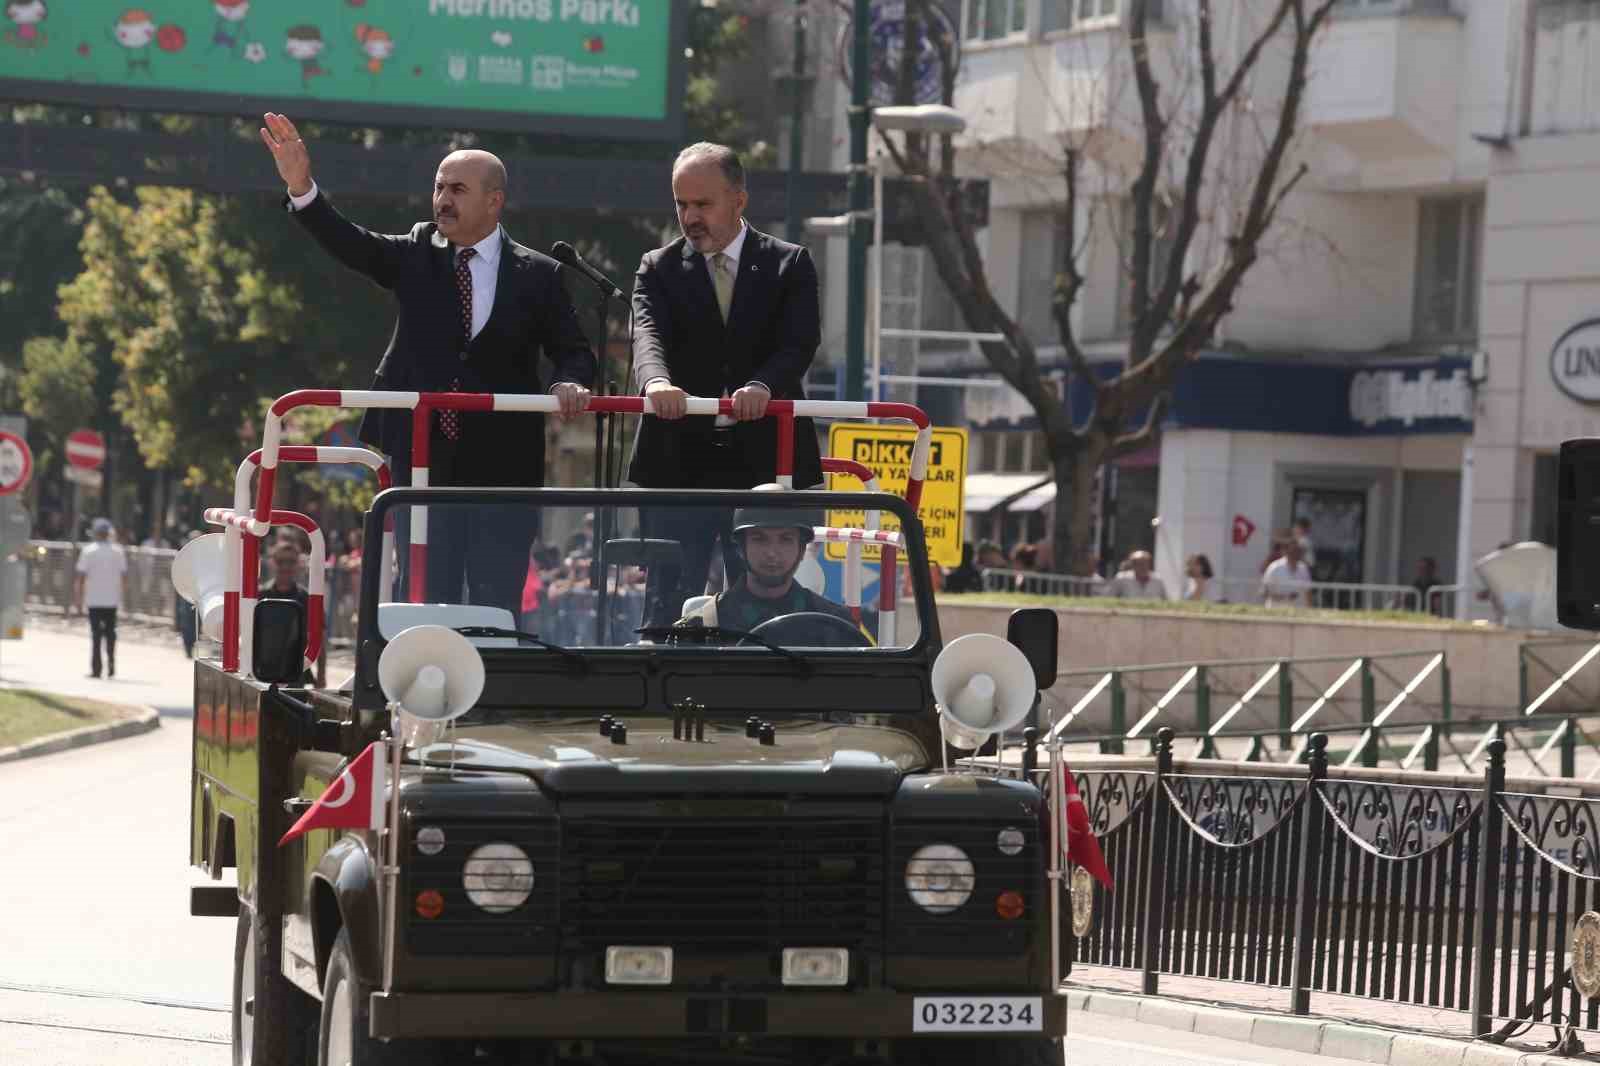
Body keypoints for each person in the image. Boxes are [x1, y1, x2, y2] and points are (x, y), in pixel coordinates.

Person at [259, 112, 595, 613]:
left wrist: (570, 382)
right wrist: (302, 186)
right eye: (439, 187)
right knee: (419, 587)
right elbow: (350, 242)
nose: (443, 199)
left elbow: (574, 351)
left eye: (458, 189)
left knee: (495, 591)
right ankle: (408, 684)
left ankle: (489, 684)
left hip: (503, 462)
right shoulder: (416, 252)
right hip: (422, 455)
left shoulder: (539, 275)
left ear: (493, 200)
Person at [628, 142, 823, 626]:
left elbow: (798, 344)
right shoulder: (658, 267)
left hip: (762, 461)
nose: (689, 216)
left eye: (703, 204)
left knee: (762, 606)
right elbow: (646, 336)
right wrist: (655, 384)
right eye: (681, 204)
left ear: (739, 200)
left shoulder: (789, 263)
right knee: (668, 601)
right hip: (678, 459)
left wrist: (763, 386)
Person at [678, 500, 858, 642]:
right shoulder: (701, 628)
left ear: (802, 549)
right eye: (759, 539)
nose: (772, 553)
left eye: (786, 539)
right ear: (741, 548)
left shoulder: (834, 625)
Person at [74, 517, 127, 678]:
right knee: (111, 633)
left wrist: (78, 599)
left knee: (96, 635)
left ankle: (96, 669)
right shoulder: (118, 551)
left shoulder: (88, 551)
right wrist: (122, 597)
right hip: (112, 600)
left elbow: (81, 577)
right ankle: (111, 664)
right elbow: (124, 577)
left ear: (96, 533)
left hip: (94, 599)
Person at [1261, 537, 1313, 607]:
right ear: (1285, 551)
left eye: (1298, 550)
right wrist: (1285, 597)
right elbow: (1264, 592)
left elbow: (1308, 592)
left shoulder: (1303, 569)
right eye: (1293, 550)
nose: (1296, 553)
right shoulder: (1275, 567)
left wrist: (1309, 611)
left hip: (1297, 614)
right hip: (1276, 613)